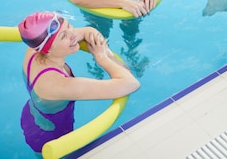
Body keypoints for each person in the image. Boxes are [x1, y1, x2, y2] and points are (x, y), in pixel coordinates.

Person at [18, 11, 140, 153]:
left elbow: (89, 31)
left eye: (69, 26)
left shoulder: (34, 49)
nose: (73, 34)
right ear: (47, 50)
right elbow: (131, 83)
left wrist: (112, 58)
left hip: (35, 114)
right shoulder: (56, 84)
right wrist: (102, 58)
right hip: (50, 138)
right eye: (64, 36)